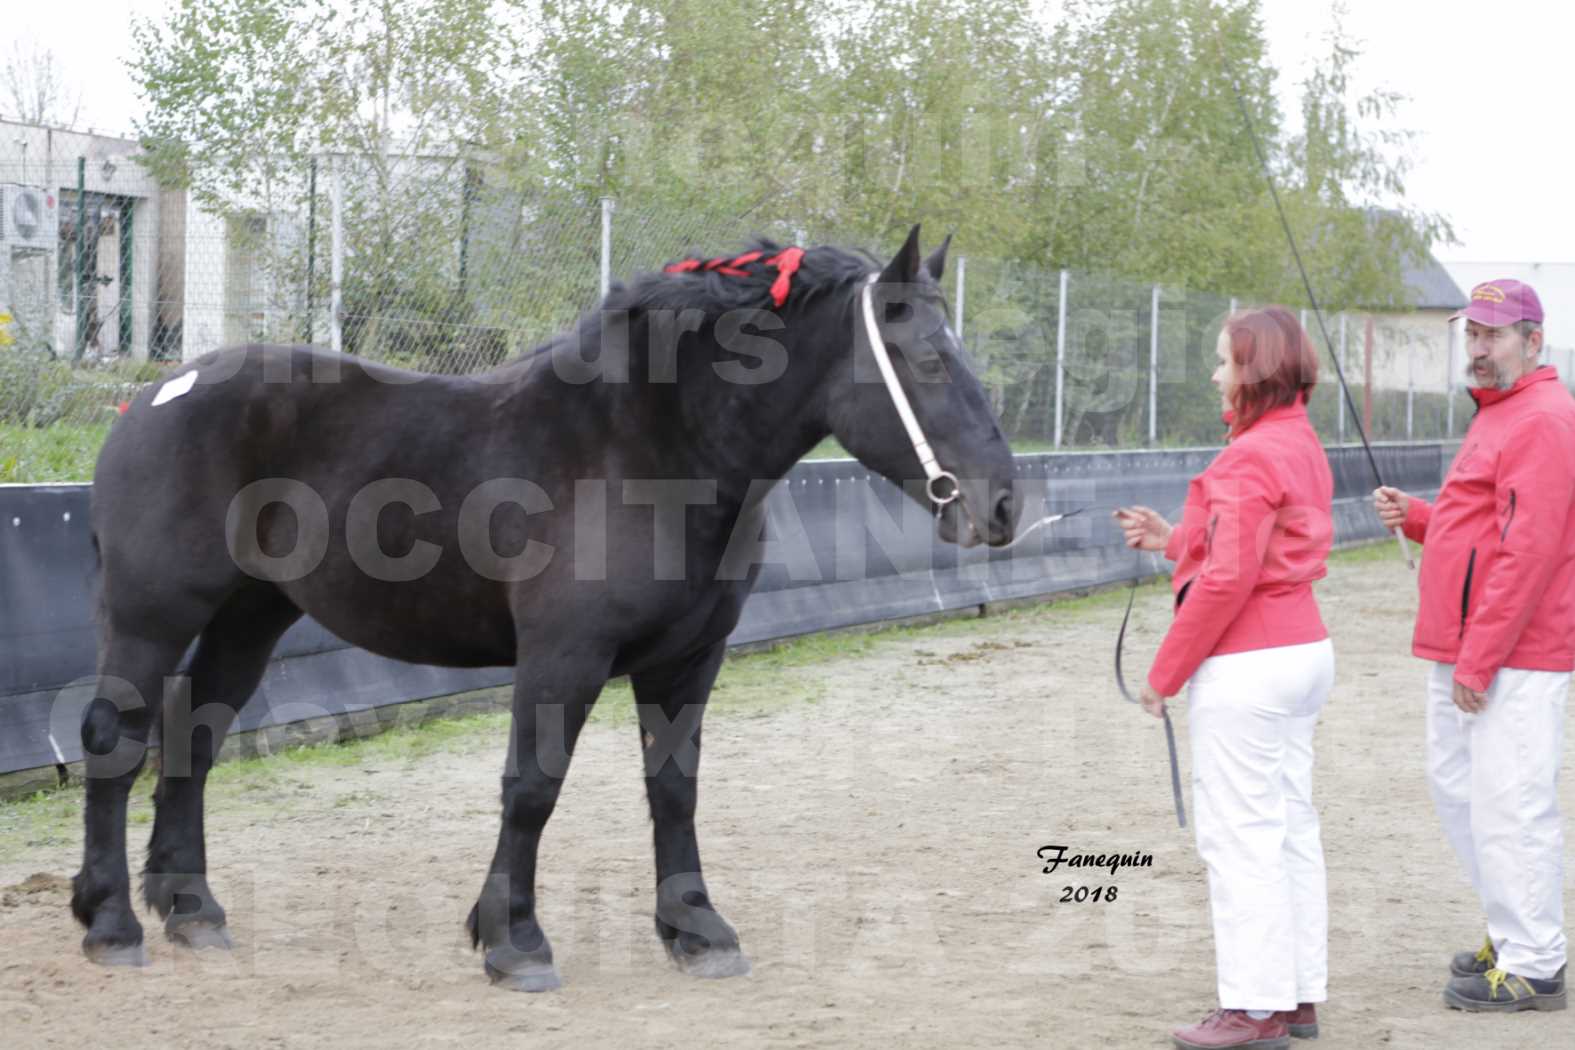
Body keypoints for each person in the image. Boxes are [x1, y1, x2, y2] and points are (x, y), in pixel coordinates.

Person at [1116, 306, 1334, 1049]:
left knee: (1240, 838)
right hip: (1299, 652)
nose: (1214, 374)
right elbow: (1244, 550)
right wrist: (1170, 539)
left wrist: (1163, 674)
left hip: (1249, 664)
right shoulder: (1296, 441)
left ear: (1255, 371)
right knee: (1288, 829)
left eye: (1222, 361)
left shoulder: (1246, 456)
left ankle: (1253, 1006)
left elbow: (1229, 576)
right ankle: (1296, 995)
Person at [1372, 278, 1572, 1012]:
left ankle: (1536, 963)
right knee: (1462, 796)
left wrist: (1479, 658)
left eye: (1493, 335)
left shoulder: (1542, 419)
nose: (1479, 349)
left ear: (1531, 339)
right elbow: (1485, 528)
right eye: (1472, 335)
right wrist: (1422, 517)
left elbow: (1529, 551)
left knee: (1511, 804)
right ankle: (1510, 932)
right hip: (1467, 646)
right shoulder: (1499, 414)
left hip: (1511, 653)